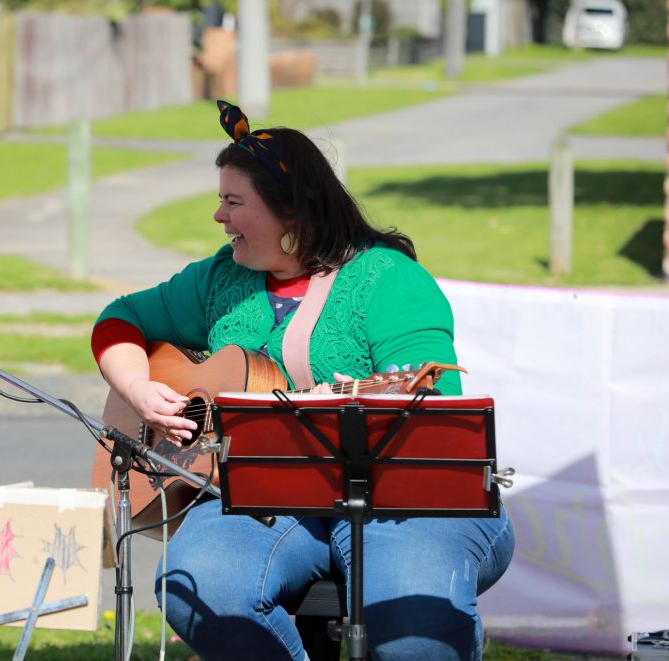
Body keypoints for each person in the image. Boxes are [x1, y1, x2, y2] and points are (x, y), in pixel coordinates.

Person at [90, 101, 515, 660]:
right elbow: (119, 320)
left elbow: (433, 407)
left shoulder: (389, 281)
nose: (219, 216)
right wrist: (139, 390)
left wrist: (342, 411)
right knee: (199, 585)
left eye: (233, 202)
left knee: (410, 617)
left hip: (398, 499)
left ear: (291, 210)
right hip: (262, 496)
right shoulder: (221, 278)